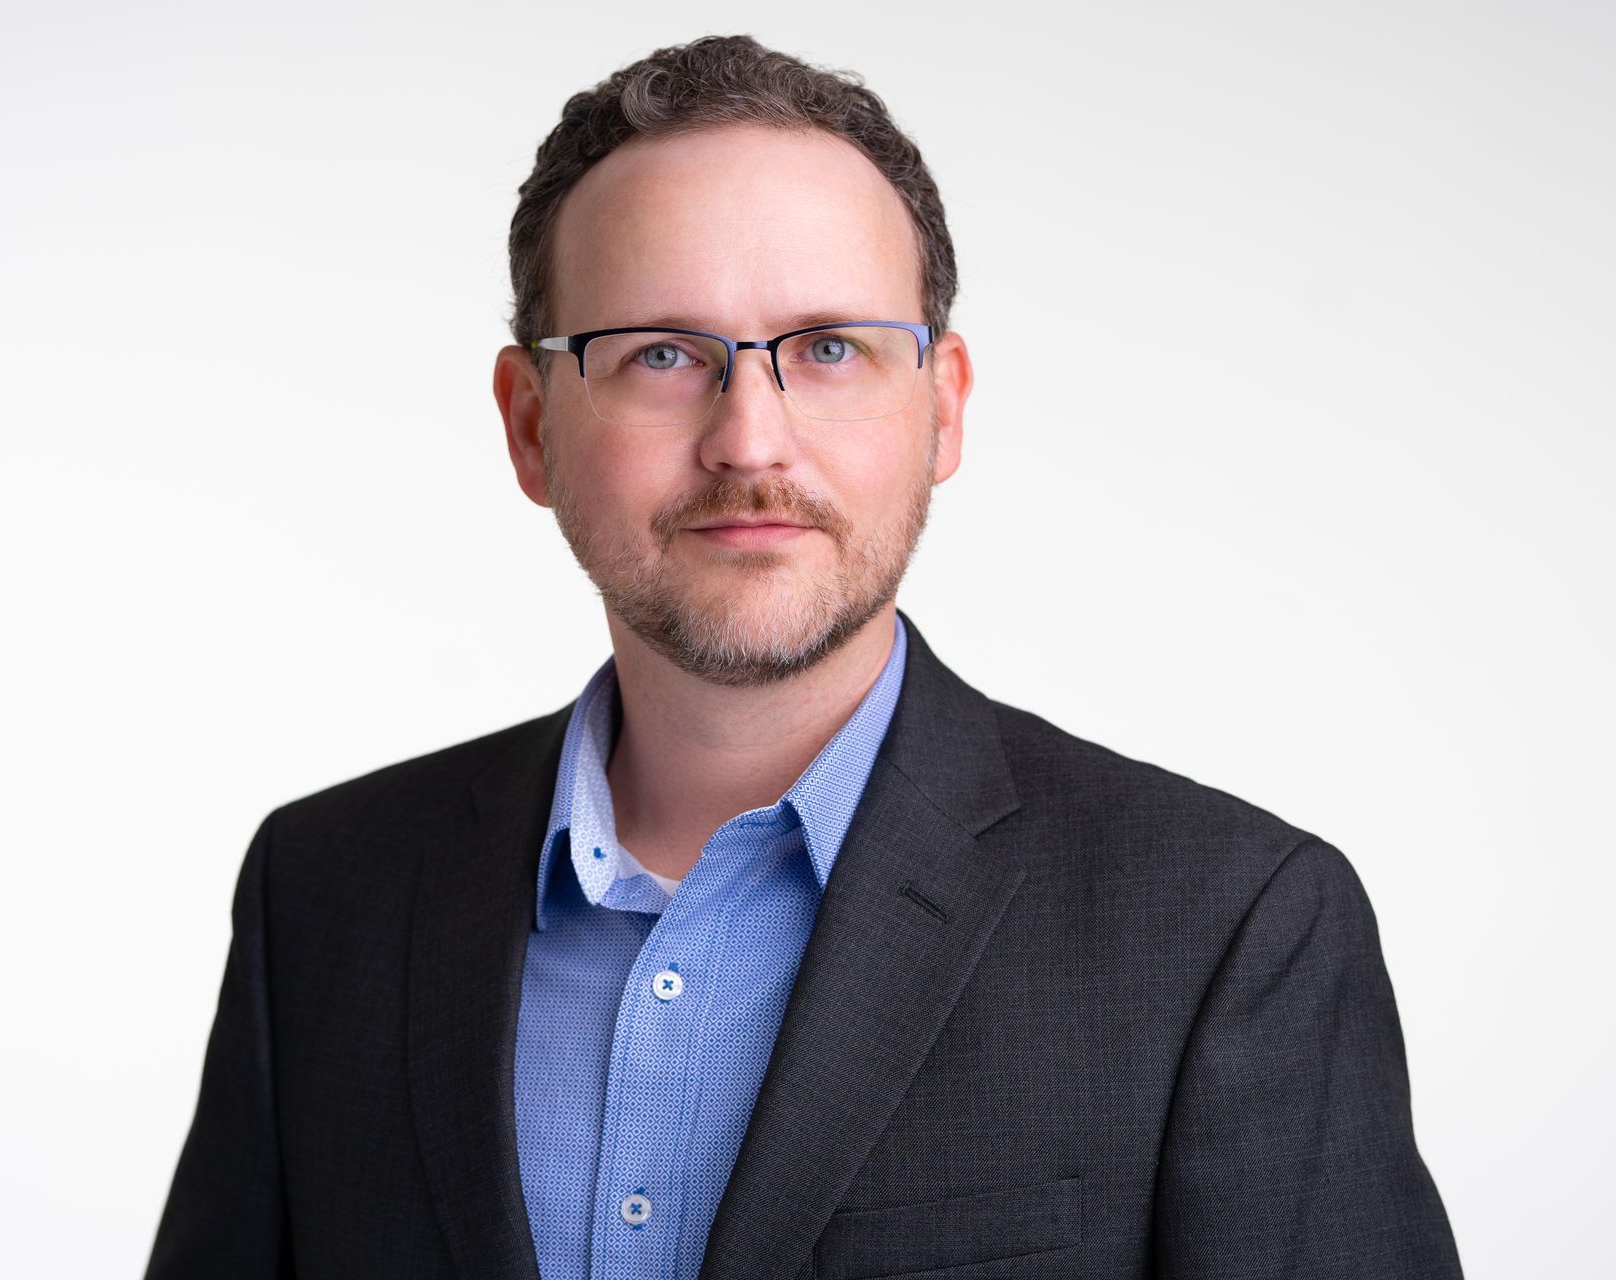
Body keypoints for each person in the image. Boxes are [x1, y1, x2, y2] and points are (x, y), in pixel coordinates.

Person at [146, 33, 1464, 1280]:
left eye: (829, 349)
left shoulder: (1225, 928)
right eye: (664, 354)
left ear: (942, 407)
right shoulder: (321, 900)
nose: (750, 441)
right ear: (530, 422)